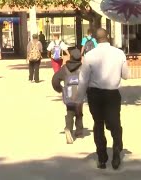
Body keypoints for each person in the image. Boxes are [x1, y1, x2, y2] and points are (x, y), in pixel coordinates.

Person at [76, 28, 129, 170]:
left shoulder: (89, 56)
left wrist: (78, 100)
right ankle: (117, 148)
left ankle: (102, 157)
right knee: (115, 123)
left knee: (98, 124)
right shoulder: (119, 53)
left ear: (95, 38)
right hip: (112, 94)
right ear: (108, 37)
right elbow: (126, 75)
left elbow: (83, 80)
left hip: (95, 95)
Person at [52, 49, 84, 144]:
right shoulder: (83, 68)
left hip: (69, 92)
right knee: (79, 111)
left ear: (71, 57)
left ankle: (68, 128)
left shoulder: (64, 68)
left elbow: (55, 80)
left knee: (70, 111)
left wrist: (60, 89)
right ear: (80, 58)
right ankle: (79, 130)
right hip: (79, 92)